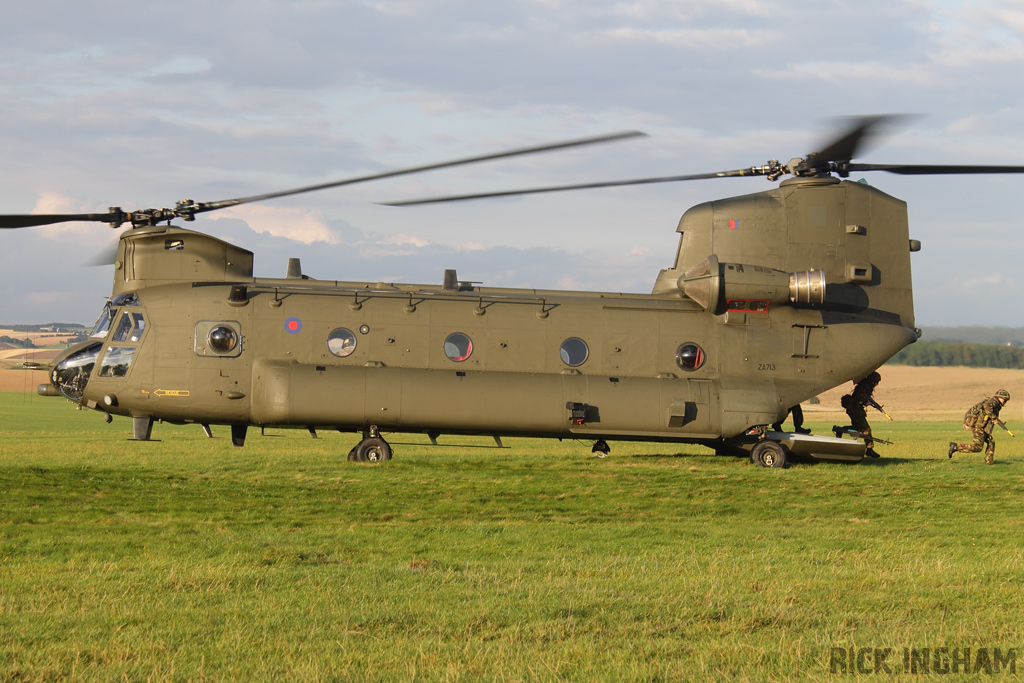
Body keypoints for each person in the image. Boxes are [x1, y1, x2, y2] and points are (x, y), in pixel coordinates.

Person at [948, 389, 1012, 464]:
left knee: (991, 441)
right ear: (999, 397)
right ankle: (956, 447)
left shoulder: (996, 404)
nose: (1005, 402)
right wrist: (994, 418)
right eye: (1004, 399)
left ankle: (989, 461)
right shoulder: (992, 402)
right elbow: (987, 408)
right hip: (978, 426)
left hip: (981, 426)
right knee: (978, 447)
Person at [835, 371, 885, 458]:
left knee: (857, 429)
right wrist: (870, 403)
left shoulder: (866, 386)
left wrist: (873, 404)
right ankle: (869, 449)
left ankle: (840, 430)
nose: (876, 384)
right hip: (856, 410)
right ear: (873, 380)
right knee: (866, 429)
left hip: (855, 409)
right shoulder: (864, 386)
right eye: (876, 382)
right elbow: (862, 397)